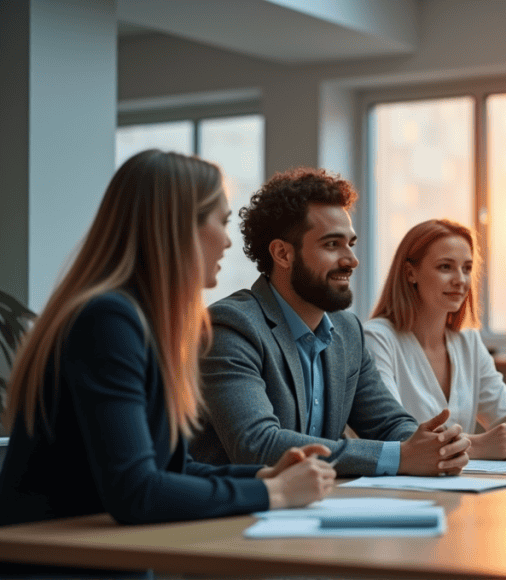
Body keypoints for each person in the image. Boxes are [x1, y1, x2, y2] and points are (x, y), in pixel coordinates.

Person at [0, 151, 335, 573]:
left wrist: (262, 479)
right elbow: (136, 490)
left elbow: (170, 467)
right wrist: (277, 495)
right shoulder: (108, 321)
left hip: (105, 555)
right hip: (59, 565)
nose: (229, 241)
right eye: (222, 221)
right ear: (179, 228)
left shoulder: (140, 321)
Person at [191, 168, 470, 477]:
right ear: (283, 254)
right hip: (237, 517)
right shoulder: (232, 326)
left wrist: (436, 444)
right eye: (331, 245)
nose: (351, 259)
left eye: (350, 243)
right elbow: (257, 444)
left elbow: (388, 423)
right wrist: (400, 457)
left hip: (313, 506)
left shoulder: (348, 331)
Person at [365, 219, 506, 460]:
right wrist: (479, 446)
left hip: (458, 487)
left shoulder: (468, 342)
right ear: (410, 273)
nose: (460, 280)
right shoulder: (377, 339)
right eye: (445, 267)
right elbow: (391, 434)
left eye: (466, 268)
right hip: (399, 490)